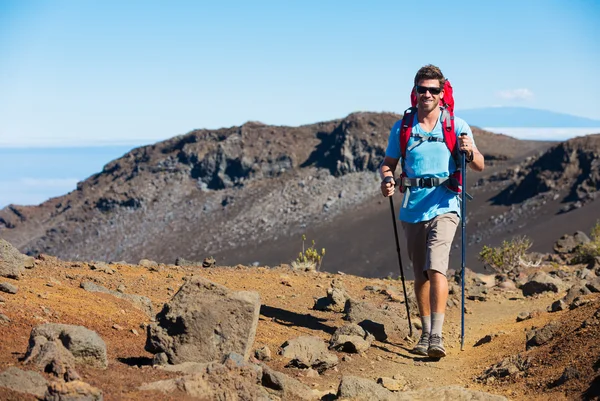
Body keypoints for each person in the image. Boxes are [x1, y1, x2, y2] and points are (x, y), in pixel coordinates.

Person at [379, 64, 485, 358]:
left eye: (433, 90)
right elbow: (388, 163)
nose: (427, 94)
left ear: (442, 94)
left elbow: (479, 164)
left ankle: (437, 335)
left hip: (446, 204)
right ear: (414, 91)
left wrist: (469, 151)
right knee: (421, 273)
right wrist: (388, 179)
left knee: (436, 266)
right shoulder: (403, 128)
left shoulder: (456, 125)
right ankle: (425, 333)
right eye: (422, 89)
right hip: (413, 207)